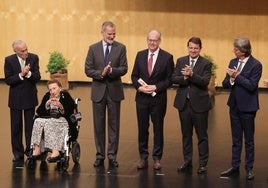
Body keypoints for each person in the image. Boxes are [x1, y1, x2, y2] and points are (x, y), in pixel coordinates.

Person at [85, 21, 128, 168]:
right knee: (98, 126)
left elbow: (124, 68)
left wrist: (111, 71)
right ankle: (100, 155)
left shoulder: (121, 48)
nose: (112, 36)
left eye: (114, 33)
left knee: (114, 126)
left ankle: (112, 155)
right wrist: (100, 73)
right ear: (102, 32)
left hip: (114, 91)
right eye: (109, 34)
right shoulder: (93, 48)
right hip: (98, 92)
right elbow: (88, 70)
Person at [131, 29, 174, 170]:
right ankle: (143, 157)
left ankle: (157, 158)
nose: (152, 42)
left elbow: (170, 80)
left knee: (158, 129)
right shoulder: (140, 55)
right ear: (147, 40)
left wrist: (156, 86)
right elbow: (134, 76)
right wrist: (139, 87)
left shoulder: (167, 57)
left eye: (155, 40)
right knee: (142, 129)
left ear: (159, 41)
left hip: (158, 99)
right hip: (142, 99)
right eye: (150, 40)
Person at [220, 38, 262, 180]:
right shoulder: (233, 62)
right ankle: (235, 166)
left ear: (244, 50)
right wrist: (231, 79)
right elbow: (225, 83)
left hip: (248, 107)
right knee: (236, 139)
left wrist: (237, 76)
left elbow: (251, 86)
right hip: (234, 105)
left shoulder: (256, 65)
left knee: (249, 140)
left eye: (236, 49)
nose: (234, 51)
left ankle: (249, 168)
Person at [172, 37, 212, 174]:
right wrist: (184, 78)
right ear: (187, 47)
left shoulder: (206, 63)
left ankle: (202, 163)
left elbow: (205, 81)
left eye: (196, 48)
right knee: (186, 134)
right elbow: (174, 78)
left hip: (200, 105)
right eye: (191, 48)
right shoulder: (181, 61)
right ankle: (187, 161)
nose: (193, 50)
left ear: (200, 48)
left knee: (202, 135)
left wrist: (192, 74)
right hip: (184, 104)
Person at [4, 40, 41, 162]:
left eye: (26, 49)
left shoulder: (34, 58)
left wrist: (28, 73)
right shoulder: (9, 60)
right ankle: (17, 153)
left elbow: (37, 77)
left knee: (30, 127)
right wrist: (21, 74)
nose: (26, 52)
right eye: (22, 51)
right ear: (15, 51)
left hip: (29, 97)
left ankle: (30, 151)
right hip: (15, 99)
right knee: (16, 127)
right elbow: (8, 80)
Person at [30, 79, 76, 163]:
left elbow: (70, 112)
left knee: (51, 122)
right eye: (50, 89)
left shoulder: (65, 96)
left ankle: (56, 151)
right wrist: (46, 105)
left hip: (63, 121)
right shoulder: (47, 96)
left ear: (60, 88)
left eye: (54, 88)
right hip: (48, 119)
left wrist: (61, 106)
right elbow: (39, 112)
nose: (52, 91)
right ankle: (37, 149)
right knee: (37, 121)